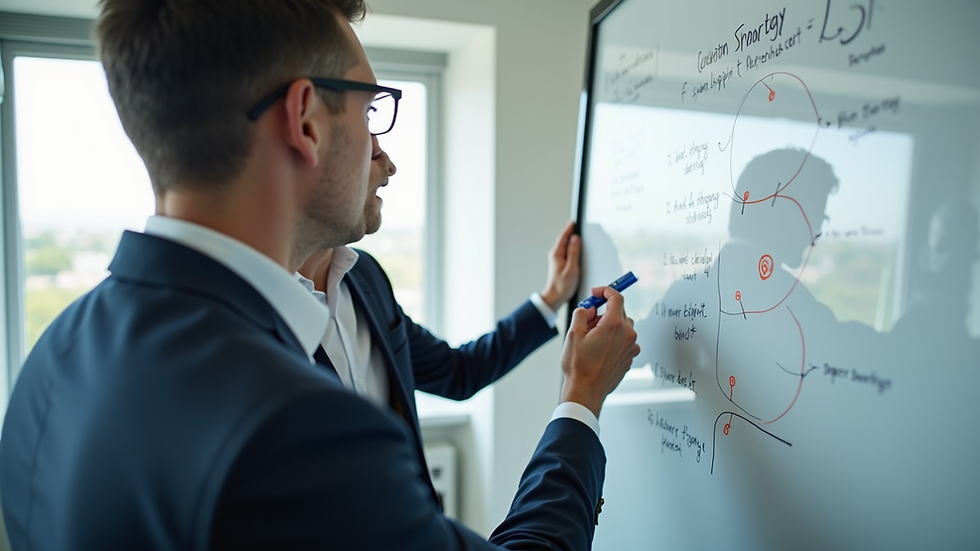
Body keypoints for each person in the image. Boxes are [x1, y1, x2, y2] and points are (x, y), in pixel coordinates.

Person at [0, 1, 639, 549]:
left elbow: (455, 369)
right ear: (305, 121)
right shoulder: (295, 427)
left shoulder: (53, 355)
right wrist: (580, 399)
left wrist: (551, 300)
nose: (381, 151)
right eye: (370, 110)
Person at [296, 135, 582, 505]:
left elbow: (457, 372)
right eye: (365, 130)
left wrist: (552, 297)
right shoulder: (254, 318)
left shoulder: (366, 276)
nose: (389, 165)